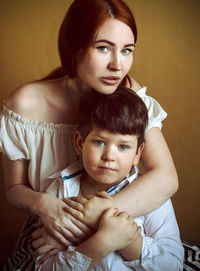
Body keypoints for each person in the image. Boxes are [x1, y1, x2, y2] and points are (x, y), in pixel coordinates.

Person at [0, 0, 178, 269]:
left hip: (112, 226)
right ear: (74, 47)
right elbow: (14, 189)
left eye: (127, 50)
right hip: (53, 233)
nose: (118, 65)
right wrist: (45, 206)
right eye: (104, 48)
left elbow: (166, 178)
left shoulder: (129, 95)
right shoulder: (25, 105)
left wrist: (94, 220)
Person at [33, 87, 184, 271]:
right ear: (80, 143)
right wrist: (103, 241)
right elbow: (44, 267)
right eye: (99, 142)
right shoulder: (59, 191)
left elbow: (173, 264)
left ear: (138, 153)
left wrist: (129, 242)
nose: (109, 156)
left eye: (123, 147)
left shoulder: (153, 196)